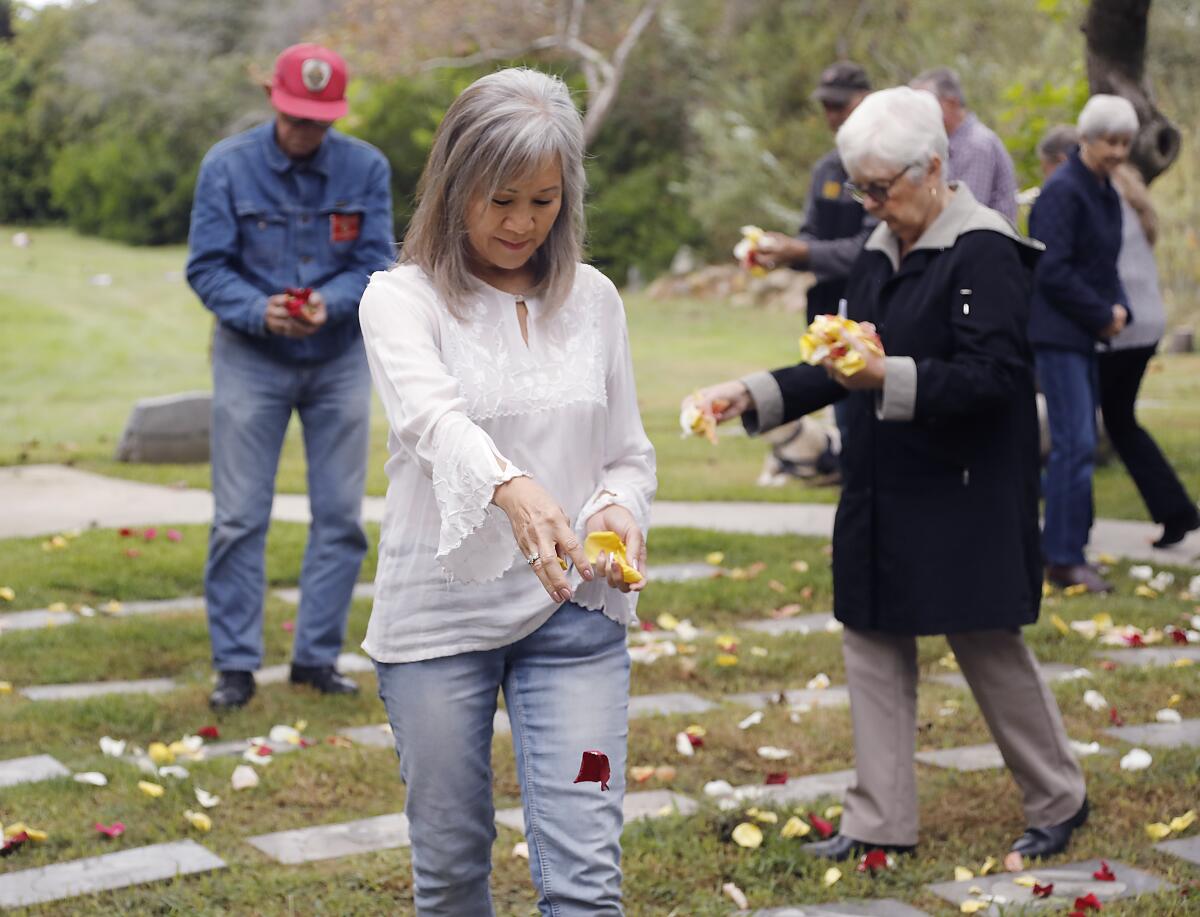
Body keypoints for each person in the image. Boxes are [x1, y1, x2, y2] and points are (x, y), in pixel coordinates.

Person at [689, 86, 1087, 865]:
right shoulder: (878, 249)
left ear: (932, 167)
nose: (868, 204)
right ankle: (879, 819)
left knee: (986, 643)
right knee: (871, 637)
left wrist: (886, 377)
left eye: (881, 187)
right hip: (883, 483)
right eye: (859, 188)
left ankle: (1059, 797)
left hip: (965, 486)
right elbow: (839, 360)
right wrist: (754, 393)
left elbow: (993, 378)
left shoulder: (986, 249)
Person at [358, 68, 656, 915]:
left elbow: (628, 455)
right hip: (438, 626)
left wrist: (614, 508)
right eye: (500, 200)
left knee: (587, 875)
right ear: (454, 187)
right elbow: (431, 421)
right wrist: (513, 486)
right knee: (452, 871)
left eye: (543, 200)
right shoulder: (400, 300)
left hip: (576, 620)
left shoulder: (594, 300)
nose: (523, 224)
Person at [187, 43, 395, 710]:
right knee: (239, 517)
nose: (308, 130)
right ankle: (236, 664)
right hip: (252, 355)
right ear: (276, 102)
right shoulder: (226, 166)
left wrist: (326, 304)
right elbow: (207, 265)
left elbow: (374, 262)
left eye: (320, 119)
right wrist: (261, 310)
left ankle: (315, 657)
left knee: (340, 516)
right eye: (298, 116)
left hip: (337, 357)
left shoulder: (366, 168)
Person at [1038, 124, 1200, 549]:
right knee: (1117, 421)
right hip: (1143, 321)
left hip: (1114, 324)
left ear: (1061, 161)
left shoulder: (1092, 196)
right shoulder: (1123, 192)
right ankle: (1175, 510)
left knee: (1077, 431)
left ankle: (1072, 529)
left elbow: (1073, 269)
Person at [1028, 96, 1137, 593]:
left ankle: (1068, 543)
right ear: (1086, 140)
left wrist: (1119, 310)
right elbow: (1051, 269)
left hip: (1088, 332)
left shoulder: (1105, 190)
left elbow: (1105, 263)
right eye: (1109, 141)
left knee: (1081, 443)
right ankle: (1062, 558)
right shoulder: (1063, 191)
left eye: (1125, 143)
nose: (1117, 151)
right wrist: (1100, 314)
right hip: (1057, 333)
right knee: (1072, 444)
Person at [756, 62, 878, 323]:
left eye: (839, 105)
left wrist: (802, 252)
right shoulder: (826, 169)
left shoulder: (887, 169)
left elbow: (869, 249)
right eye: (826, 106)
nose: (832, 115)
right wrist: (780, 252)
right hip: (825, 305)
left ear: (868, 101)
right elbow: (809, 234)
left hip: (873, 303)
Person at [911, 67, 1018, 221]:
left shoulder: (975, 145)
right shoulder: (948, 143)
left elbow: (964, 214)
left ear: (951, 103)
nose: (918, 114)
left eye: (924, 105)